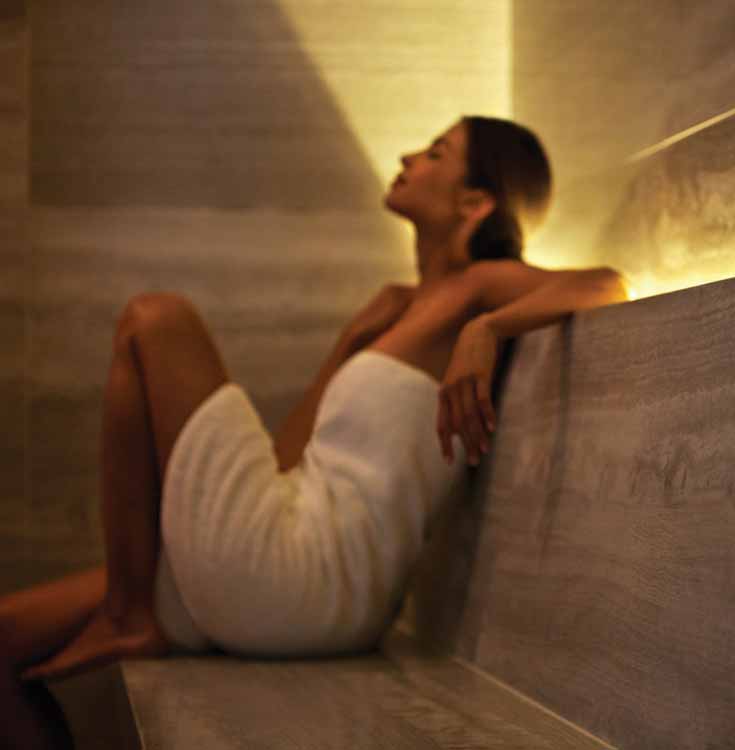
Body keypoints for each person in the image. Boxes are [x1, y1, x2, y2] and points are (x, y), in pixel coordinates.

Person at [0, 114, 629, 749]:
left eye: (436, 152)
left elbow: (608, 284)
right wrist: (350, 341)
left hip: (310, 581)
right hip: (293, 566)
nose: (408, 155)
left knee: (155, 317)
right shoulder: (397, 309)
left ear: (475, 201)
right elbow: (282, 460)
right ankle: (128, 608)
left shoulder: (477, 286)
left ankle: (128, 611)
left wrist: (485, 330)